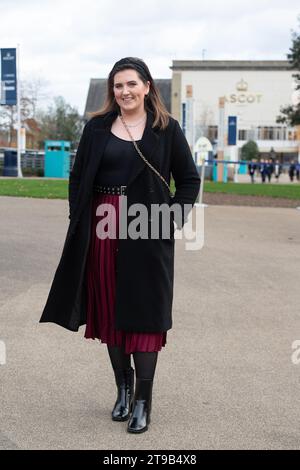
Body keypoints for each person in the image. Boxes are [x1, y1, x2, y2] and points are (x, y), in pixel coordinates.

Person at [40, 57, 200, 434]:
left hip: (147, 231)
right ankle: (123, 388)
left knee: (145, 312)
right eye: (118, 85)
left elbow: (189, 180)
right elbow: (78, 178)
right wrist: (77, 218)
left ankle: (144, 399)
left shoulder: (166, 129)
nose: (124, 91)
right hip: (101, 228)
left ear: (147, 87)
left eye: (131, 84)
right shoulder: (96, 129)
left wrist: (170, 221)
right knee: (109, 309)